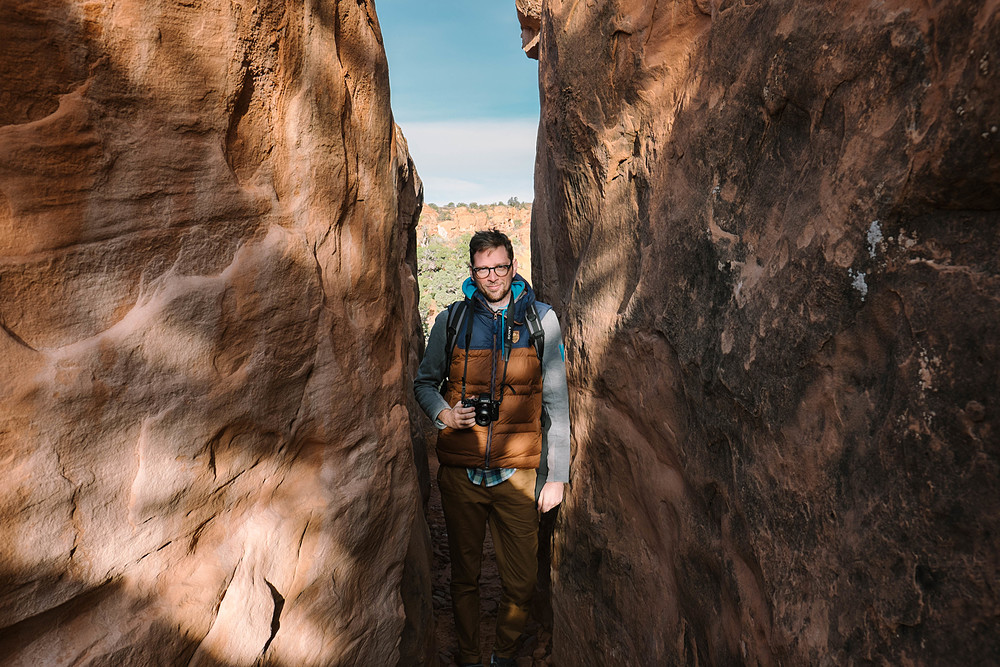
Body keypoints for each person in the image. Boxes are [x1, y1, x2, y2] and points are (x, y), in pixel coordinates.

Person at [414, 229, 571, 667]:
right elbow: (424, 384)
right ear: (472, 272)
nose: (493, 276)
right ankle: (468, 655)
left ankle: (503, 654)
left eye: (500, 266)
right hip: (461, 474)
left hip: (518, 473)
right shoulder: (452, 321)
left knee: (520, 582)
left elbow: (557, 401)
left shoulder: (542, 320)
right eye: (483, 269)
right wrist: (444, 414)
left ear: (513, 266)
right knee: (464, 578)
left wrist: (556, 475)